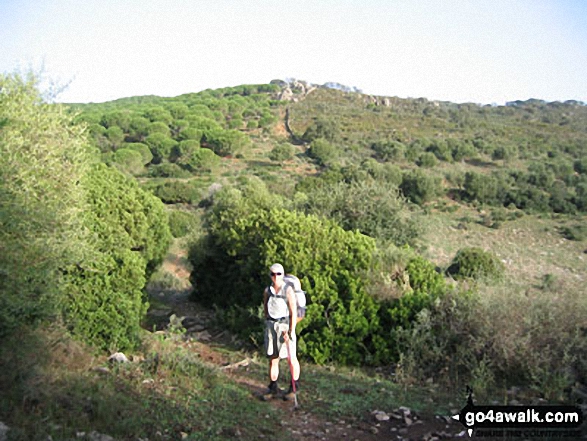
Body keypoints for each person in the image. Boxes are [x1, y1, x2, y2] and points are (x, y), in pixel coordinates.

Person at [262, 263, 300, 401]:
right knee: (273, 359)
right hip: (272, 325)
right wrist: (268, 322)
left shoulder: (288, 290)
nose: (275, 277)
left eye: (278, 274)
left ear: (283, 275)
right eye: (273, 274)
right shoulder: (268, 290)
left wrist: (291, 329)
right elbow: (265, 307)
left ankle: (293, 388)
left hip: (285, 326)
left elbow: (293, 311)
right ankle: (273, 388)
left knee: (291, 358)